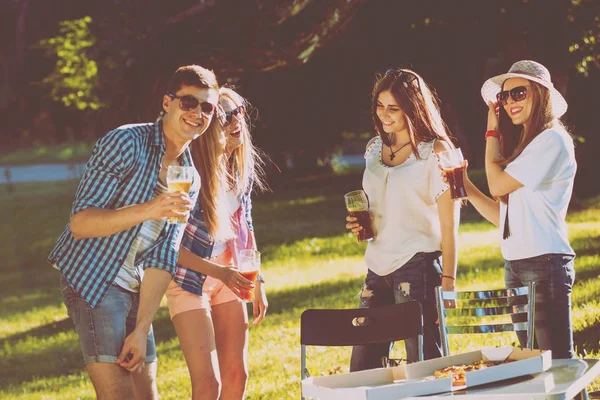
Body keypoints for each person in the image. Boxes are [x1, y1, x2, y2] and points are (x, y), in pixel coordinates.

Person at [47, 64, 221, 399]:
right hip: (94, 280)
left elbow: (164, 254)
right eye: (189, 102)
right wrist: (152, 208)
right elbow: (80, 223)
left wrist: (141, 328)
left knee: (147, 392)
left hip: (135, 288)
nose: (197, 113)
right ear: (167, 102)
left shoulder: (189, 176)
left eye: (207, 107)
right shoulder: (126, 142)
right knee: (120, 394)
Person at [453, 60, 577, 359]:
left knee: (556, 363)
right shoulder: (530, 143)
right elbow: (502, 215)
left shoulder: (551, 140)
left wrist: (492, 131)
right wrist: (464, 183)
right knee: (533, 363)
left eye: (519, 93)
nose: (509, 102)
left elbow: (496, 185)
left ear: (541, 94)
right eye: (504, 96)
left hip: (544, 262)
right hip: (517, 263)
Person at [345, 68, 459, 371]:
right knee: (363, 367)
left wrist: (449, 280)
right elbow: (379, 207)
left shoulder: (435, 152)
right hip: (377, 266)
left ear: (414, 108)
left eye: (393, 108)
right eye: (380, 106)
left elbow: (450, 225)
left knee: (424, 365)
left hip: (418, 266)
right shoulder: (373, 149)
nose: (384, 114)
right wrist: (362, 224)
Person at [165, 87, 269, 399]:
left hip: (230, 273)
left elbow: (245, 225)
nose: (236, 120)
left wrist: (258, 278)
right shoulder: (187, 172)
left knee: (237, 375)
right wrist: (220, 273)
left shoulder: (238, 168)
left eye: (239, 111)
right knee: (209, 384)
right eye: (225, 116)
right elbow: (169, 245)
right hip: (188, 278)